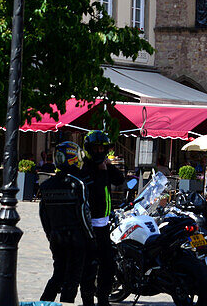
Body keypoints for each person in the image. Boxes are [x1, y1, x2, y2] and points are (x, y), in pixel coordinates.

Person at [38, 141, 91, 305]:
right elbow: (83, 214)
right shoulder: (77, 184)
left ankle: (44, 303)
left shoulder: (46, 185)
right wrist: (90, 237)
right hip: (76, 237)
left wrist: (50, 234)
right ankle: (66, 303)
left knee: (58, 274)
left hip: (56, 236)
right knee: (72, 278)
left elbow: (43, 215)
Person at [79, 130, 126, 306]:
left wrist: (108, 166)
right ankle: (88, 299)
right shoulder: (86, 169)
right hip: (90, 226)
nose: (99, 152)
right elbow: (97, 190)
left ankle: (103, 297)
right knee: (90, 266)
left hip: (104, 224)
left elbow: (120, 179)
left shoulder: (104, 166)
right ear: (90, 149)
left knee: (109, 264)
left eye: (102, 148)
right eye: (96, 148)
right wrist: (102, 171)